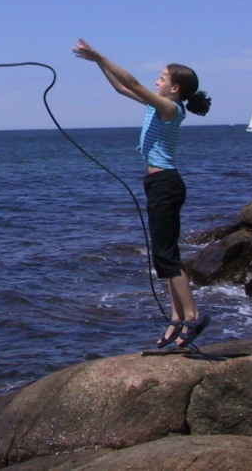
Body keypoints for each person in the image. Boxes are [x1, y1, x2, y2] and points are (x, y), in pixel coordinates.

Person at [72, 38, 213, 349]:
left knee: (167, 256)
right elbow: (123, 89)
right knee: (163, 257)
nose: (157, 81)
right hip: (157, 185)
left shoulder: (169, 108)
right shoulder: (158, 104)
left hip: (165, 185)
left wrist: (100, 54)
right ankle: (176, 319)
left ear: (174, 88)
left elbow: (133, 82)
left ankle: (193, 314)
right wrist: (98, 64)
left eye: (162, 78)